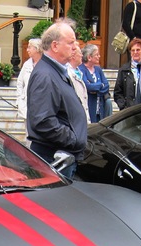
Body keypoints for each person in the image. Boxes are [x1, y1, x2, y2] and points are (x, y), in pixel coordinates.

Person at [26, 19, 87, 177]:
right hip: (54, 158)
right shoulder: (45, 75)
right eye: (71, 43)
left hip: (61, 156)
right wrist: (73, 139)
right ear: (55, 45)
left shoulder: (55, 71)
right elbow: (42, 121)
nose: (75, 47)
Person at [78, 43, 111, 122]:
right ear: (89, 57)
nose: (99, 56)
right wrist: (100, 85)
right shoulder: (81, 69)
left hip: (100, 106)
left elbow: (106, 85)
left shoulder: (98, 69)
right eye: (96, 55)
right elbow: (87, 86)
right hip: (90, 105)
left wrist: (95, 89)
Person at [114, 38, 141, 110]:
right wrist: (123, 106)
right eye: (133, 50)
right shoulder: (124, 70)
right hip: (128, 111)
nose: (135, 52)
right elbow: (117, 92)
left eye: (138, 50)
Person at [16, 38, 42, 122]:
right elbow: (20, 83)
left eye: (30, 47)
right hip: (26, 105)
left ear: (37, 49)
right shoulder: (27, 64)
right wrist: (19, 100)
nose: (27, 50)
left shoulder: (45, 64)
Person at [67, 44, 90, 124]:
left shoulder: (79, 72)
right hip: (74, 120)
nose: (82, 55)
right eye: (80, 53)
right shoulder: (67, 74)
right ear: (73, 56)